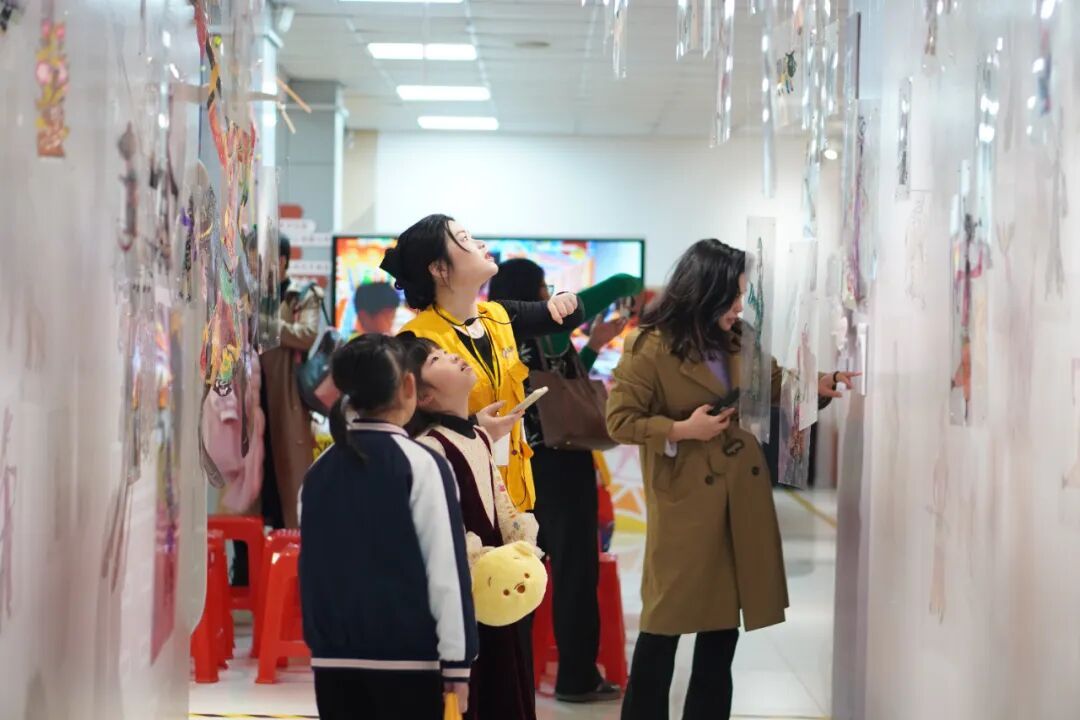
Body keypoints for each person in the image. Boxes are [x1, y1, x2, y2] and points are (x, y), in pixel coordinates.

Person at [605, 239, 858, 720]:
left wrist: (816, 384)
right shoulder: (650, 346)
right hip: (684, 504)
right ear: (704, 292)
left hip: (739, 496)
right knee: (662, 626)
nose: (740, 306)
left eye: (742, 295)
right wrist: (682, 429)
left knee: (722, 631)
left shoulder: (740, 337)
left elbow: (770, 381)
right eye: (733, 296)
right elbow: (619, 421)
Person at [487, 259, 641, 704]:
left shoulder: (495, 333)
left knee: (517, 571)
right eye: (545, 289)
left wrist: (593, 346)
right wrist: (633, 288)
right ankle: (576, 677)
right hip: (562, 466)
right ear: (536, 294)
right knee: (574, 573)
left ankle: (514, 677)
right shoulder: (546, 325)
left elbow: (558, 389)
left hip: (516, 467)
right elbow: (622, 281)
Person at [299, 334, 477, 720]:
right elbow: (446, 571)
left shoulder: (317, 473)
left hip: (332, 661)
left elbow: (313, 570)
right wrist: (458, 664)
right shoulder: (423, 464)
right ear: (409, 386)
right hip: (410, 661)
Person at [379, 214, 584, 512]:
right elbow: (406, 428)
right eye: (464, 239)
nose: (480, 244)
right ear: (439, 268)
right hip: (459, 496)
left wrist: (564, 300)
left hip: (512, 496)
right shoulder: (416, 340)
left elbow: (569, 315)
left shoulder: (499, 315)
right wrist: (473, 428)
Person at [401, 333, 541, 720]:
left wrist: (520, 545)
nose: (453, 357)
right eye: (436, 360)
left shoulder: (479, 435)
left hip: (496, 587)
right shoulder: (431, 447)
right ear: (423, 396)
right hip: (466, 590)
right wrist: (480, 566)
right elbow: (441, 529)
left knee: (505, 680)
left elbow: (501, 500)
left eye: (446, 352)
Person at [260, 235, 324, 529]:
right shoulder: (247, 296)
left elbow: (306, 335)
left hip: (287, 400)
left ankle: (291, 551)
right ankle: (248, 553)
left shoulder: (302, 294)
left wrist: (262, 322)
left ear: (282, 260)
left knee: (287, 482)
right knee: (252, 490)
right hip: (253, 401)